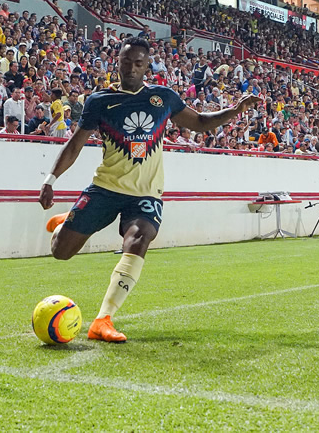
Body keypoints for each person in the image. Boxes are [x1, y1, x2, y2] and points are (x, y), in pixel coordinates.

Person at [38, 37, 260, 343]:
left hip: (146, 193)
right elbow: (75, 144)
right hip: (105, 188)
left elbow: (199, 123)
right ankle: (68, 221)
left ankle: (103, 319)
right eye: (126, 62)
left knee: (140, 237)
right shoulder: (99, 101)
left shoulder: (163, 98)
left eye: (138, 63)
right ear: (116, 63)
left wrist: (234, 110)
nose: (131, 68)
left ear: (148, 66)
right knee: (60, 253)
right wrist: (51, 179)